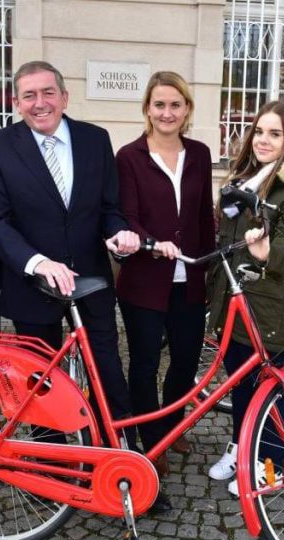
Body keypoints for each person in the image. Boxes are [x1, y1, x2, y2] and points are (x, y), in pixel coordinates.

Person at [0, 61, 139, 443]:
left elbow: (108, 209)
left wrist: (119, 234)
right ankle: (53, 470)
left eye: (48, 93)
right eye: (29, 95)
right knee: (40, 379)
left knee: (107, 371)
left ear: (64, 97)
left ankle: (121, 459)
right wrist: (38, 263)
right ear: (16, 103)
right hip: (31, 283)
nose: (40, 103)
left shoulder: (95, 139)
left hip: (91, 279)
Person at [205, 101, 284, 496]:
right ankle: (242, 446)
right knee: (241, 384)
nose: (263, 139)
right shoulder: (246, 178)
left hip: (272, 307)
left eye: (274, 134)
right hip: (234, 301)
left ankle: (270, 463)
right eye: (259, 131)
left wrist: (266, 252)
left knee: (272, 390)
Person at [115, 71, 215, 478]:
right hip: (144, 281)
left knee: (186, 358)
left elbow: (203, 218)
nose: (167, 112)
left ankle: (172, 424)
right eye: (159, 104)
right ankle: (149, 436)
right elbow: (128, 217)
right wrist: (153, 243)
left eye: (175, 104)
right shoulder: (129, 157)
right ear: (147, 109)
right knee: (143, 363)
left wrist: (207, 269)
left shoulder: (201, 154)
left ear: (187, 109)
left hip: (188, 279)